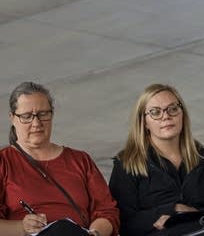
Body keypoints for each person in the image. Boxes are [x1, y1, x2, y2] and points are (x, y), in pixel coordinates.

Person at [109, 83, 204, 236]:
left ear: (182, 114)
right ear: (144, 121)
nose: (166, 116)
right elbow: (123, 223)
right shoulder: (126, 164)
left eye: (173, 108)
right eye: (155, 112)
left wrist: (190, 215)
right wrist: (171, 210)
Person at [0, 81, 119, 236]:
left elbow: (106, 211)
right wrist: (22, 227)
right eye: (27, 116)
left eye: (43, 114)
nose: (36, 123)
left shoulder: (80, 160)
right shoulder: (4, 162)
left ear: (52, 114)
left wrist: (95, 233)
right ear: (13, 118)